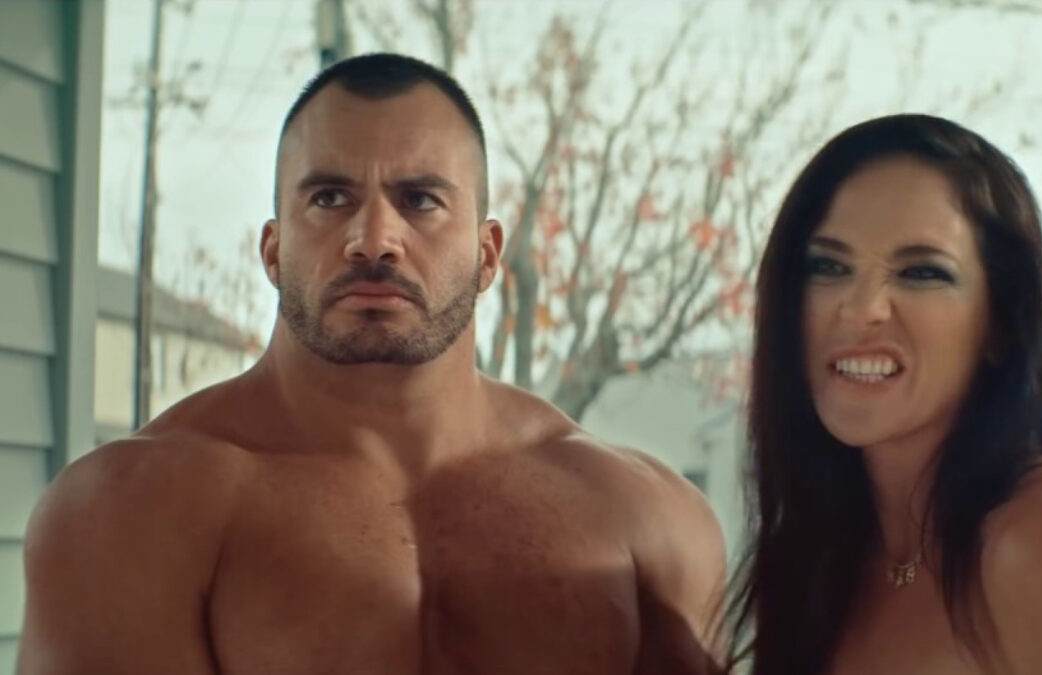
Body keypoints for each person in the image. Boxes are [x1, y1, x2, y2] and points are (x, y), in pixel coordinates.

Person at [18, 53, 726, 675]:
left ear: (487, 255)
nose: (374, 238)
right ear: (273, 250)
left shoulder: (646, 519)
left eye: (420, 200)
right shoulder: (131, 513)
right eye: (329, 198)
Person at [725, 113, 1042, 675]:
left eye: (922, 273)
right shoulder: (822, 556)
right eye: (828, 266)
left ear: (1001, 324)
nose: (861, 309)